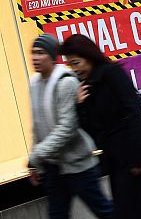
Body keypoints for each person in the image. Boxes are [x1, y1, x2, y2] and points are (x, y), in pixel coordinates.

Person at [60, 34, 141, 219]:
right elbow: (91, 132)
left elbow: (134, 113)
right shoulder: (86, 88)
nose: (75, 69)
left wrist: (138, 158)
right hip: (116, 163)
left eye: (76, 62)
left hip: (134, 157)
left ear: (88, 56)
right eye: (70, 65)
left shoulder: (112, 73)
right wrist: (80, 106)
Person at [27, 34, 113, 219]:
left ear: (51, 57)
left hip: (78, 165)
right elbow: (37, 125)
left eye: (40, 53)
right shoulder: (35, 84)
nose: (35, 58)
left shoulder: (65, 82)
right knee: (57, 215)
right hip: (54, 167)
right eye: (33, 53)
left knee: (104, 211)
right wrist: (37, 165)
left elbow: (67, 127)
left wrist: (37, 155)